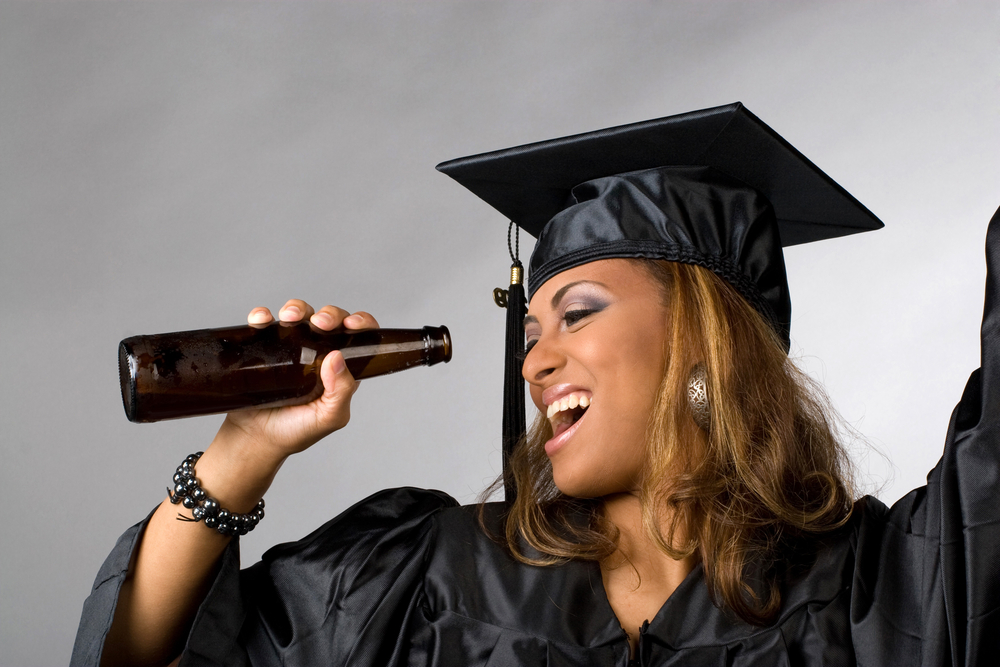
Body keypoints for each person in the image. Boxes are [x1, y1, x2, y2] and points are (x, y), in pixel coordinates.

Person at [73, 104, 999, 666]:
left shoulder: (887, 587)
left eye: (582, 311)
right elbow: (148, 658)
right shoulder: (427, 573)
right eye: (530, 329)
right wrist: (242, 453)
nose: (535, 360)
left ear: (705, 338)